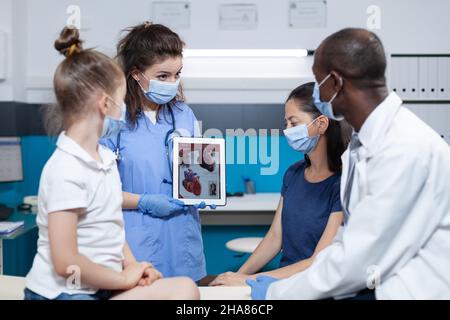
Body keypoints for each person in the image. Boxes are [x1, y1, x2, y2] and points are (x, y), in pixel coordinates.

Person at [249, 28, 450, 300]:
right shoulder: (360, 146)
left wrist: (275, 292)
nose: (317, 93)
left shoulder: (404, 148)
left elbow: (357, 259)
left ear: (335, 83)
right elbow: (346, 240)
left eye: (318, 82)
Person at [24, 27, 199, 300]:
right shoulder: (66, 169)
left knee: (186, 289)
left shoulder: (103, 159)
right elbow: (65, 264)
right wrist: (122, 277)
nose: (124, 110)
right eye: (120, 102)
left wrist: (133, 266)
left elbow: (111, 226)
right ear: (105, 105)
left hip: (102, 280)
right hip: (66, 290)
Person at [101, 22, 212, 283]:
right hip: (136, 242)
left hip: (183, 239)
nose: (172, 83)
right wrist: (144, 201)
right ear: (136, 74)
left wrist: (207, 187)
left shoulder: (184, 114)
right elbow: (98, 191)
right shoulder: (114, 119)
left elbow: (198, 171)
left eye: (177, 74)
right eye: (163, 76)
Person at [210, 83, 350, 287]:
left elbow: (318, 261)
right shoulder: (293, 173)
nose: (287, 131)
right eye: (286, 124)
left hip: (316, 287)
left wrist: (248, 280)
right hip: (283, 285)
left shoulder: (342, 182)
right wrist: (235, 277)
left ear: (321, 125)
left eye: (294, 123)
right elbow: (275, 237)